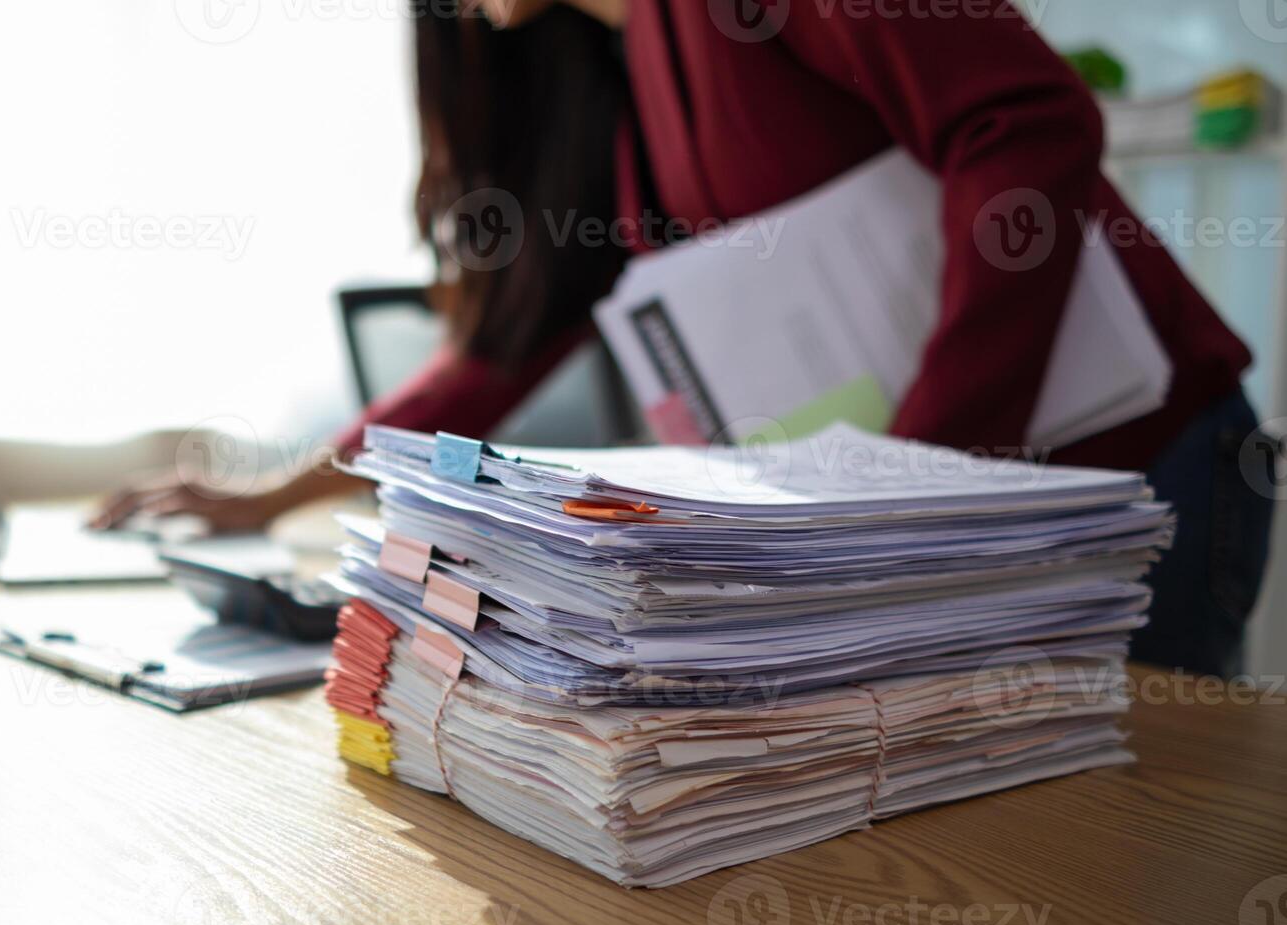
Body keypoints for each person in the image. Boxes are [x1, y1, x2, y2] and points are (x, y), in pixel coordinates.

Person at [95, 0, 1273, 676]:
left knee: (1113, 890)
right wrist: (276, 490)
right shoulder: (613, 72)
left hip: (1128, 481)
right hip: (928, 538)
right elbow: (513, 340)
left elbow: (1025, 125)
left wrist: (916, 483)